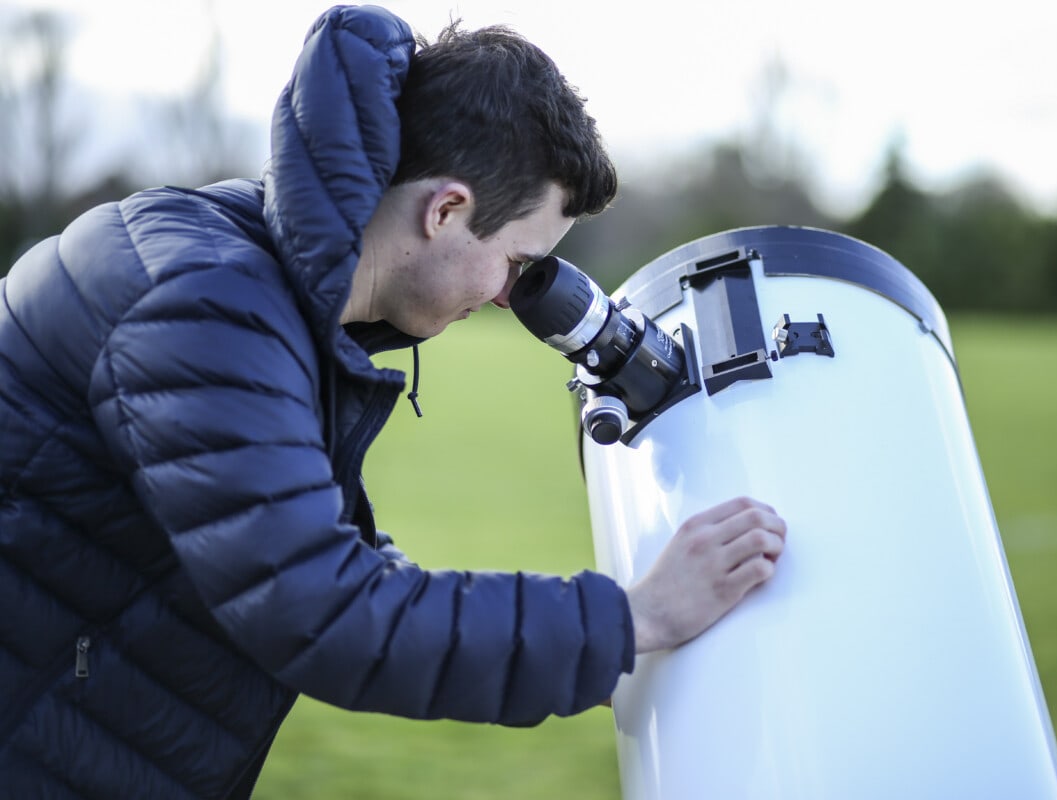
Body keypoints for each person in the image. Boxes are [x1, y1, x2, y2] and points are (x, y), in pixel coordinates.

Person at [0, 5, 787, 798]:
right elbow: (323, 611)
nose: (511, 300)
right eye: (517, 264)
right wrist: (635, 618)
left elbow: (306, 552)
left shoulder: (268, 283)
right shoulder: (204, 304)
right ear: (445, 210)